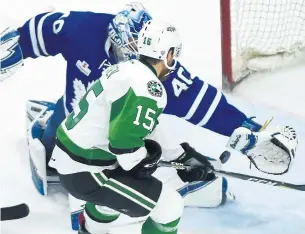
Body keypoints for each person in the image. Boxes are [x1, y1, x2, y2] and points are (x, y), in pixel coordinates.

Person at [0, 1, 298, 211]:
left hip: (93, 135)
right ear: (111, 36)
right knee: (136, 162)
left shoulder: (157, 70)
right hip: (78, 133)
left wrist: (248, 130)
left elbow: (204, 101)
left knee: (140, 126)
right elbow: (38, 31)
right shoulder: (83, 28)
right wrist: (14, 46)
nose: (135, 60)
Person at [49, 19, 212, 234]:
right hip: (88, 172)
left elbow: (145, 128)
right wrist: (144, 160)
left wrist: (182, 156)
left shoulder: (124, 70)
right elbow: (126, 150)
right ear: (168, 54)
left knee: (107, 203)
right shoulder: (148, 87)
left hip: (73, 162)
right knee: (169, 205)